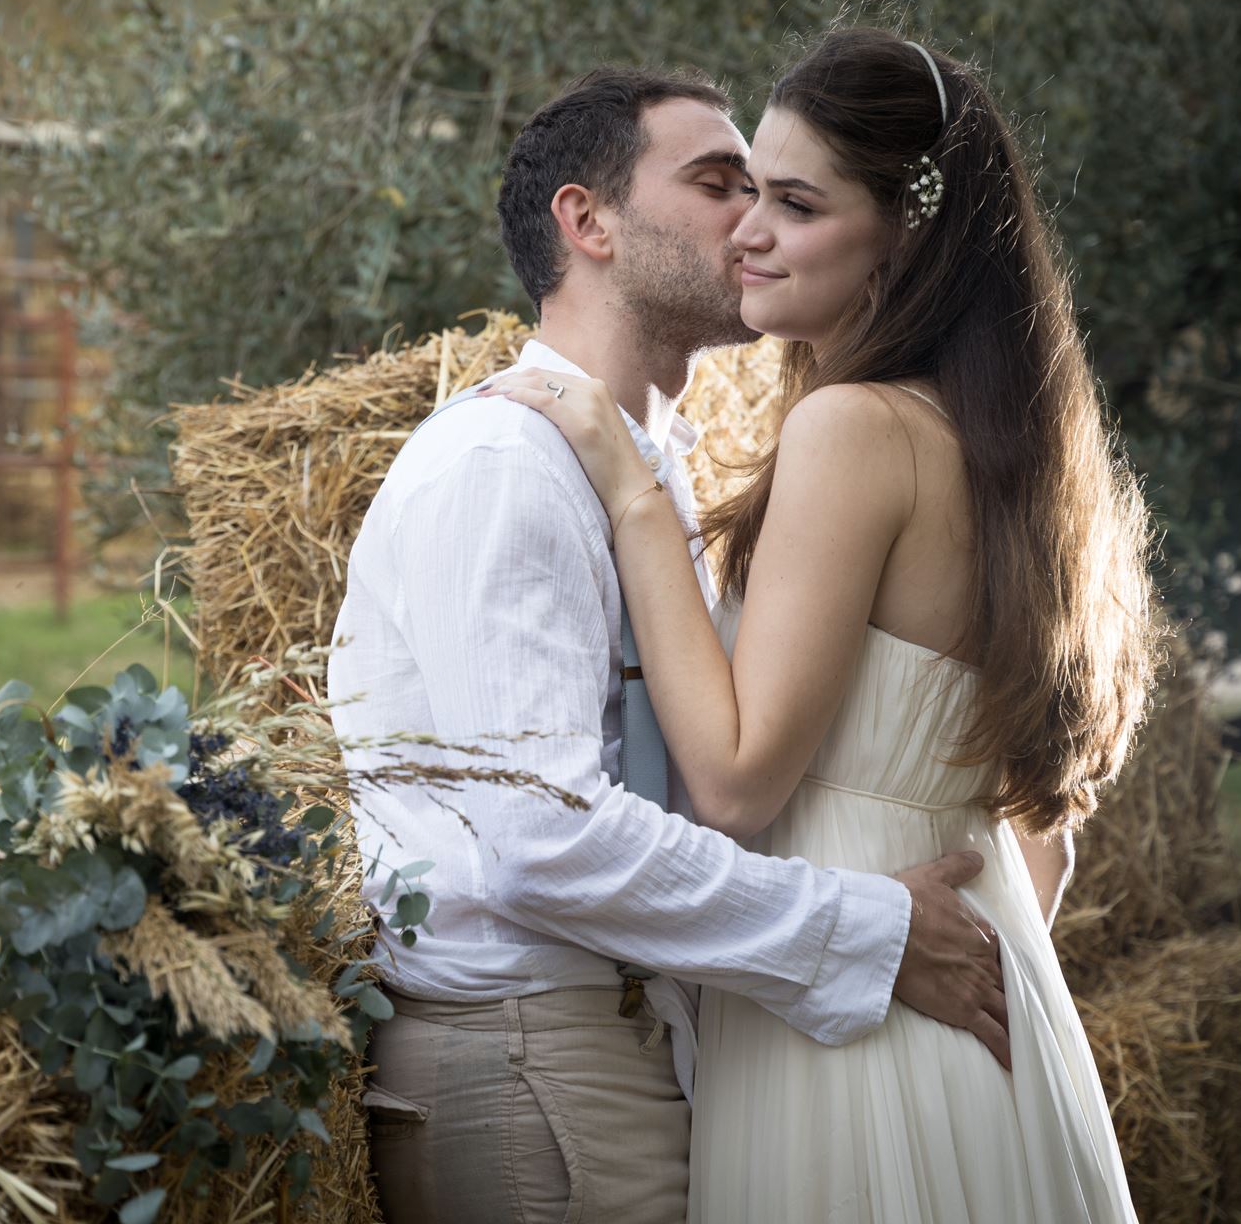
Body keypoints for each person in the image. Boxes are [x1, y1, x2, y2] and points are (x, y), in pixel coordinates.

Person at [484, 29, 1157, 1223]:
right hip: (979, 1005)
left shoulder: (853, 429)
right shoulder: (1001, 443)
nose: (745, 231)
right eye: (744, 190)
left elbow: (738, 781)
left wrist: (634, 491)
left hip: (859, 1014)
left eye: (793, 205)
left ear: (909, 237)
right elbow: (1038, 820)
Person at [328, 65, 1009, 1224]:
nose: (750, 225)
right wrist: (866, 927)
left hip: (635, 1045)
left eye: (779, 198)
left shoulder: (662, 468)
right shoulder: (507, 463)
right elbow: (542, 837)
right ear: (586, 222)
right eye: (717, 184)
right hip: (533, 1059)